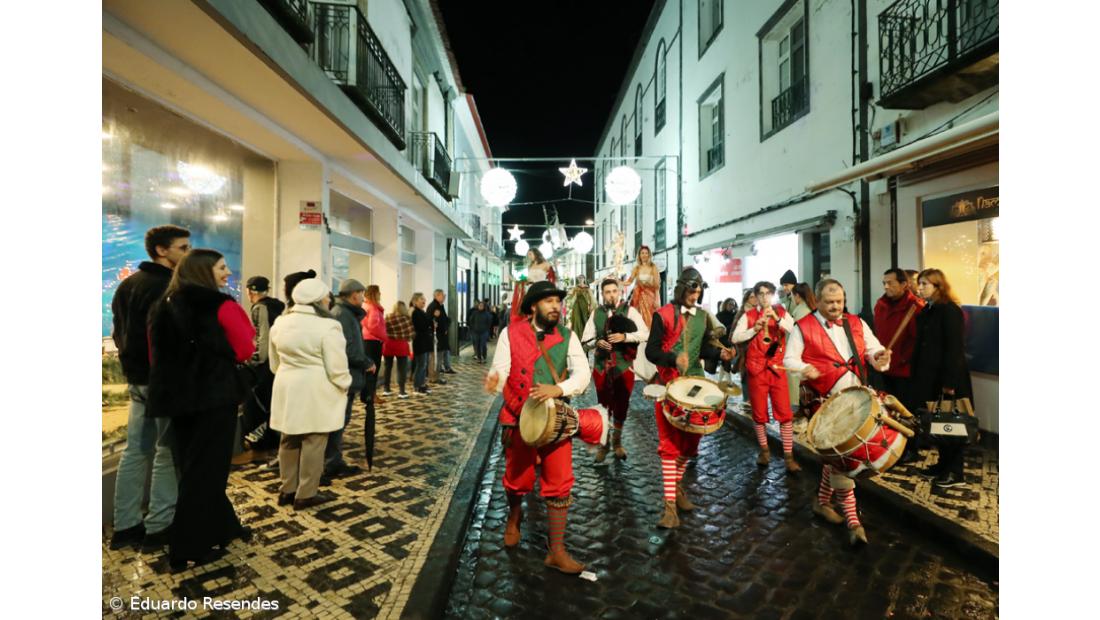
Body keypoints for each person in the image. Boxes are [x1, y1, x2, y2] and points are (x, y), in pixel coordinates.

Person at [147, 248, 256, 570]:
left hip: (176, 398)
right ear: (204, 272)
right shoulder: (222, 305)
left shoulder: (163, 305)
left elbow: (156, 356)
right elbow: (244, 348)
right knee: (206, 472)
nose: (227, 274)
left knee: (194, 467)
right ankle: (187, 548)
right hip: (213, 396)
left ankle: (225, 527)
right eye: (222, 268)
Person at [485, 280, 592, 574]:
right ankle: (514, 517)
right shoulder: (510, 333)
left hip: (555, 419)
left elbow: (584, 374)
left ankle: (556, 550)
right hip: (518, 416)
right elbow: (501, 370)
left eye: (558, 301)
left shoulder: (568, 336)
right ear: (534, 306)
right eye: (549, 301)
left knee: (560, 481)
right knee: (517, 479)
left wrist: (559, 389)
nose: (556, 306)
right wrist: (494, 380)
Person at [783, 278, 891, 545]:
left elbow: (873, 348)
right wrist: (803, 368)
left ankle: (821, 502)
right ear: (817, 301)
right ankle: (854, 522)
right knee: (845, 459)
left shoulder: (856, 322)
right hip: (824, 402)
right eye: (829, 302)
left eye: (839, 301)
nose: (835, 307)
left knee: (835, 459)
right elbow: (789, 359)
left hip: (856, 398)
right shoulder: (803, 327)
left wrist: (879, 357)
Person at [109, 224, 190, 551]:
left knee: (135, 450)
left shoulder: (127, 286)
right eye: (182, 248)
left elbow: (119, 332)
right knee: (166, 452)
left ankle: (126, 525)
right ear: (162, 250)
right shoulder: (168, 288)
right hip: (162, 381)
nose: (186, 254)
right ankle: (160, 525)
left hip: (136, 378)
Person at [645, 268, 735, 529]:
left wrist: (719, 356)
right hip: (668, 384)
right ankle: (669, 507)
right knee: (670, 446)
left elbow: (703, 348)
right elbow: (651, 351)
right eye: (691, 291)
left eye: (698, 292)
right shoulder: (662, 315)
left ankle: (677, 489)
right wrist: (673, 358)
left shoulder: (702, 316)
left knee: (690, 445)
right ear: (681, 289)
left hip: (694, 382)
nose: (695, 296)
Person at [269, 278, 351, 510]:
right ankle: (306, 493)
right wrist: (344, 384)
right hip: (316, 388)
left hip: (286, 385)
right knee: (314, 441)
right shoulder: (328, 326)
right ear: (318, 300)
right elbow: (336, 367)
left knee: (289, 439)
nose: (328, 300)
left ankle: (287, 489)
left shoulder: (281, 322)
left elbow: (274, 363)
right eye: (326, 296)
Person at [912, 269, 973, 488]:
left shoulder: (949, 311)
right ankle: (942, 464)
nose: (919, 288)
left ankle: (955, 472)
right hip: (930, 377)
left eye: (924, 284)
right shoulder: (928, 309)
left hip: (948, 379)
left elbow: (954, 349)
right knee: (939, 424)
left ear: (938, 286)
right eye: (919, 284)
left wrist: (950, 383)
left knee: (952, 424)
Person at [731, 282, 799, 472]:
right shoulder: (749, 315)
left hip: (777, 368)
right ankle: (764, 450)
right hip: (756, 369)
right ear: (755, 296)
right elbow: (735, 338)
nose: (764, 297)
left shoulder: (781, 311)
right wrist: (754, 329)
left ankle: (788, 456)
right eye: (760, 294)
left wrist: (776, 319)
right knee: (759, 414)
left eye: (768, 294)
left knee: (785, 414)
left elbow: (794, 330)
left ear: (773, 295)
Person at [582, 278, 649, 462]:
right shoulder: (596, 313)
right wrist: (597, 342)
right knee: (603, 406)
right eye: (607, 292)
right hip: (601, 366)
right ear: (602, 294)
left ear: (619, 292)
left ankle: (617, 442)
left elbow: (644, 333)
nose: (611, 295)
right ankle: (604, 445)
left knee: (622, 405)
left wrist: (625, 336)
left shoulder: (630, 311)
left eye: (614, 291)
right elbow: (585, 340)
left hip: (623, 366)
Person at [873, 268, 926, 464]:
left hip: (905, 369)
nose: (886, 286)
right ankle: (894, 443)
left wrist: (903, 359)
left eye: (891, 283)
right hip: (885, 367)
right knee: (889, 409)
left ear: (904, 285)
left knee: (907, 410)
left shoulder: (915, 307)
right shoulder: (881, 305)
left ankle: (911, 447)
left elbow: (917, 342)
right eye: (884, 282)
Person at [325, 279, 373, 480]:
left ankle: (333, 461)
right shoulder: (343, 315)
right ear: (354, 295)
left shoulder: (345, 314)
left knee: (341, 419)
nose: (363, 298)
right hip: (343, 377)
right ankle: (331, 463)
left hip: (347, 376)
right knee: (338, 420)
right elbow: (349, 349)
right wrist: (367, 363)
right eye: (362, 294)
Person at [238, 276, 285, 463]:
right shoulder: (278, 306)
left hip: (263, 367)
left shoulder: (260, 308)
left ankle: (258, 449)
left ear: (250, 291)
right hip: (277, 363)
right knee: (270, 406)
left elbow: (262, 339)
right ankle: (271, 444)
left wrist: (253, 360)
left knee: (255, 407)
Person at [786, 283, 817, 413]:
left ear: (797, 296)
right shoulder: (808, 309)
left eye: (792, 295)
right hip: (806, 354)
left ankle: (799, 413)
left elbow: (797, 334)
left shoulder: (801, 311)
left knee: (798, 389)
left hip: (799, 355)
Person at [509, 248, 555, 323]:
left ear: (536, 254)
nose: (529, 256)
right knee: (526, 308)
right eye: (528, 255)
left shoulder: (545, 264)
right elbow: (528, 279)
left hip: (540, 289)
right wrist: (517, 281)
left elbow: (552, 277)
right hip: (530, 289)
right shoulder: (530, 266)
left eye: (530, 254)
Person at [360, 285, 386, 413]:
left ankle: (368, 395)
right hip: (373, 341)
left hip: (367, 341)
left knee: (369, 370)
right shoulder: (373, 308)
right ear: (375, 293)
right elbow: (373, 326)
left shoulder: (365, 306)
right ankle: (370, 396)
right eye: (379, 292)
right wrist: (384, 336)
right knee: (373, 370)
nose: (380, 294)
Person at [623, 245, 661, 329]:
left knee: (650, 318)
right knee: (638, 317)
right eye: (642, 253)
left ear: (649, 255)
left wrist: (657, 300)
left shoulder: (653, 267)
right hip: (638, 297)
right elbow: (629, 282)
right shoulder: (636, 268)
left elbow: (657, 286)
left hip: (650, 297)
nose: (644, 255)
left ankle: (649, 335)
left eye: (646, 253)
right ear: (639, 255)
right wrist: (618, 282)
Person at [382, 301, 415, 398]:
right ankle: (401, 391)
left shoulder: (388, 317)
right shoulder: (406, 319)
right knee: (402, 369)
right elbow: (411, 333)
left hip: (388, 344)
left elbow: (383, 329)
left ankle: (386, 389)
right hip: (401, 345)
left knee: (387, 367)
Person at [427, 289, 455, 375]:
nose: (444, 297)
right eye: (443, 295)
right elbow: (430, 320)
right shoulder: (433, 306)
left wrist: (446, 327)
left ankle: (439, 372)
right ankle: (435, 375)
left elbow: (444, 319)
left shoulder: (440, 306)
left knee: (442, 354)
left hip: (442, 335)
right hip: (437, 336)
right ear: (437, 296)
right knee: (437, 356)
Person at [410, 293, 433, 395]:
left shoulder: (421, 312)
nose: (424, 301)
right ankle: (417, 386)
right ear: (415, 301)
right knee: (421, 365)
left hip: (425, 342)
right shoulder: (415, 313)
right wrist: (429, 324)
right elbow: (421, 326)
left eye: (424, 299)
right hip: (420, 342)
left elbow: (427, 323)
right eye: (421, 299)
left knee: (424, 365)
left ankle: (422, 384)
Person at [468, 298, 494, 362]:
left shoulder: (487, 314)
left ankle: (484, 356)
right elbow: (471, 321)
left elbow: (489, 322)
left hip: (484, 332)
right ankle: (479, 358)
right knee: (477, 345)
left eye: (482, 306)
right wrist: (473, 328)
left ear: (484, 307)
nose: (480, 307)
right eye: (480, 306)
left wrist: (486, 329)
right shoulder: (475, 313)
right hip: (476, 332)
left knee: (483, 344)